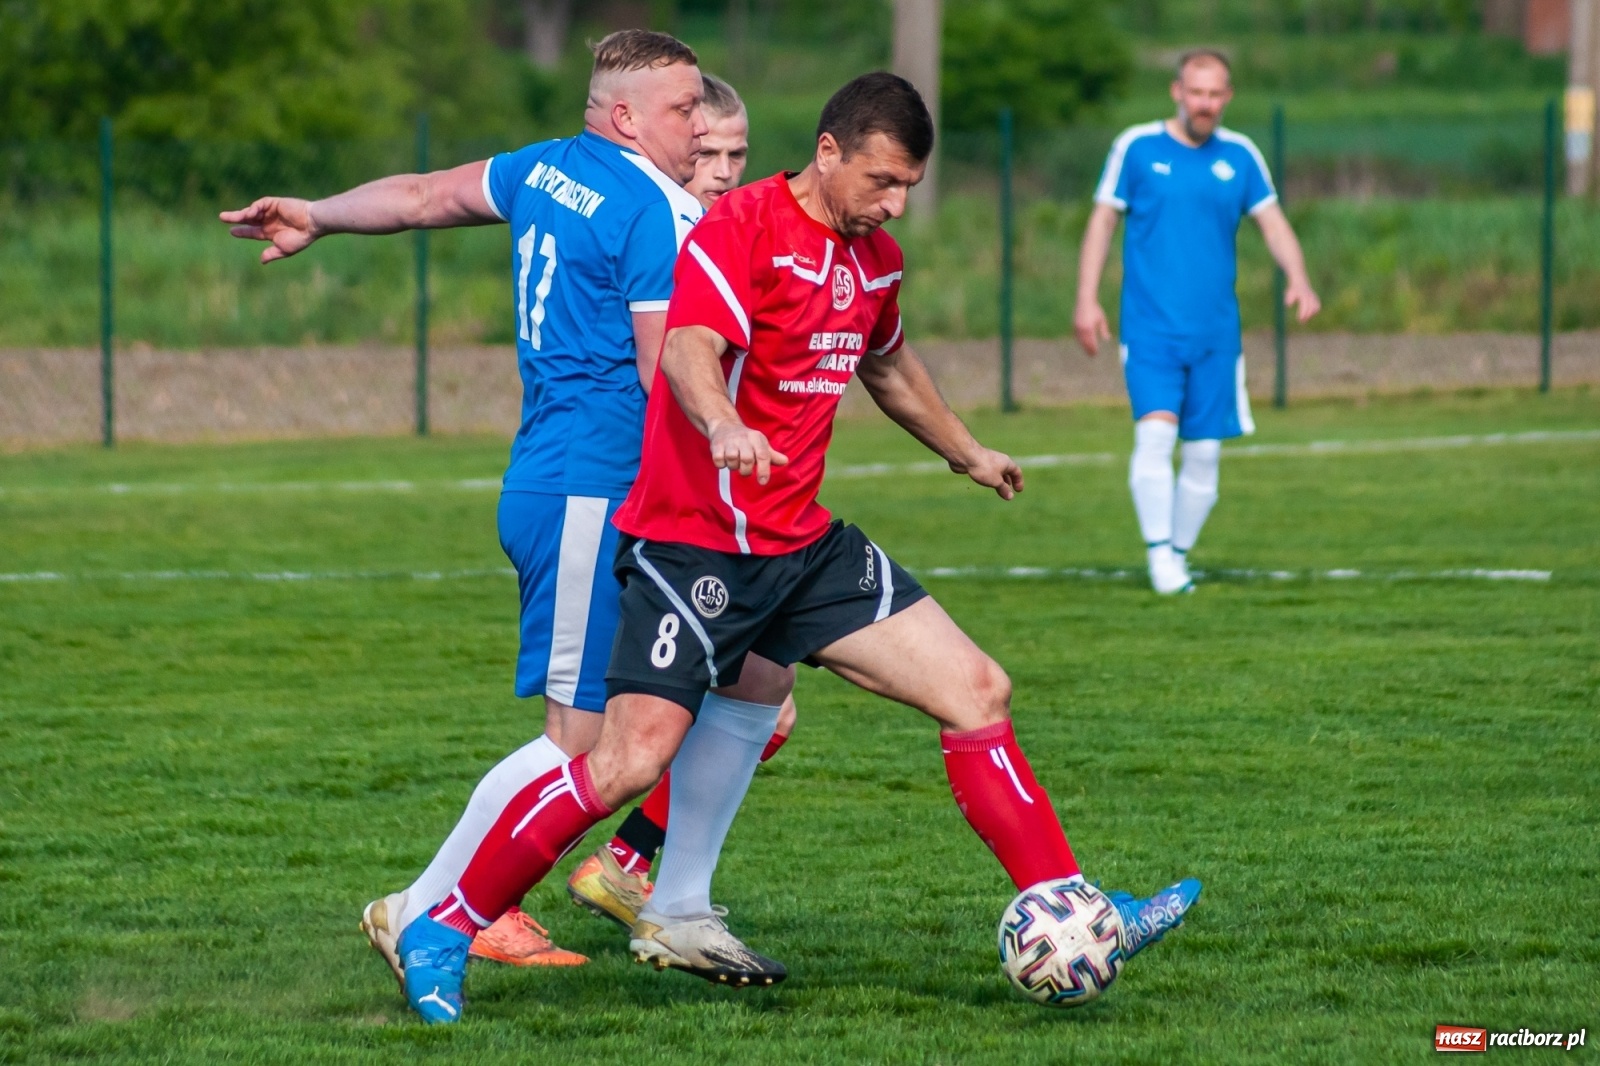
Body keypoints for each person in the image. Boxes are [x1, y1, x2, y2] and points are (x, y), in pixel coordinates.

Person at [394, 71, 1201, 1026]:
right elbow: (690, 347)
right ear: (828, 152)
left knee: (978, 690)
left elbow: (889, 363)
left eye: (908, 187)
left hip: (800, 548)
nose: (894, 204)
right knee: (625, 764)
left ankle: (1076, 910)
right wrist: (725, 422)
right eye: (882, 181)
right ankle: (440, 926)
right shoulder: (740, 228)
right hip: (692, 547)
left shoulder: (875, 259)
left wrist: (968, 451)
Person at [221, 30, 784, 984]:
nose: (703, 125)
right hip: (591, 492)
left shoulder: (545, 168)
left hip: (574, 486)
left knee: (740, 698)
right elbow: (666, 378)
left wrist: (318, 213)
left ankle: (647, 895)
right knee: (578, 743)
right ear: (625, 118)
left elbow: (423, 196)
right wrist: (736, 449)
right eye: (686, 109)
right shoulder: (656, 209)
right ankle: (432, 907)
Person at [565, 71, 798, 932]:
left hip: (704, 515)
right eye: (708, 151)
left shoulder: (720, 232)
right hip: (658, 516)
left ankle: (631, 868)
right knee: (594, 739)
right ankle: (472, 900)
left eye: (738, 153)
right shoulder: (674, 233)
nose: (725, 168)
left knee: (761, 708)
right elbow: (668, 370)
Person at [1074, 48, 1320, 595]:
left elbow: (1274, 224)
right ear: (1177, 91)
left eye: (1215, 94)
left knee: (1205, 456)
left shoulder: (1242, 155)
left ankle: (1178, 554)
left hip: (1216, 336)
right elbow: (1102, 222)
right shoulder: (1135, 148)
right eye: (1196, 92)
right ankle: (1161, 558)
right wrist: (1086, 299)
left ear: (1226, 97)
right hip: (1150, 330)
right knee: (1156, 439)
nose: (1204, 103)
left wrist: (1299, 279)